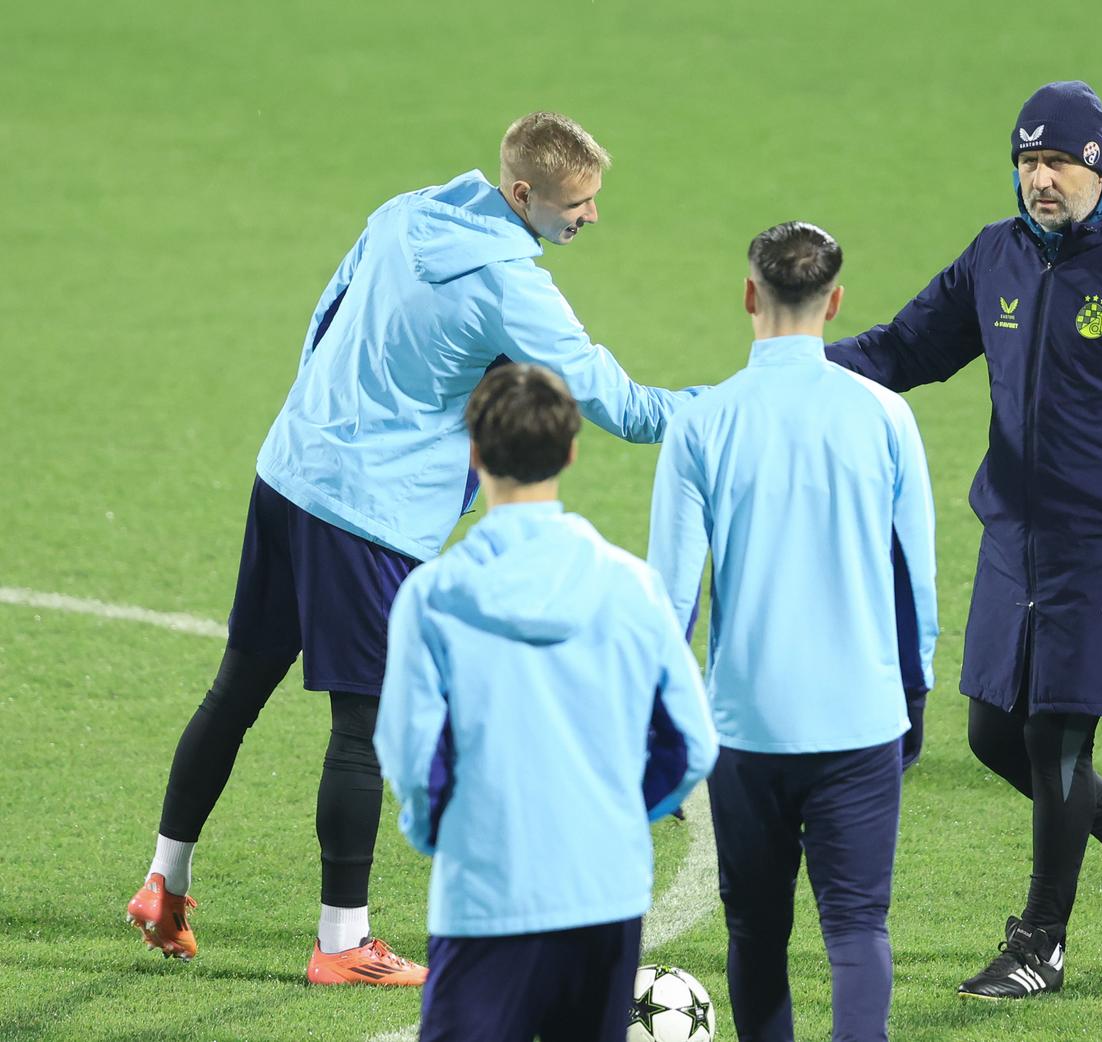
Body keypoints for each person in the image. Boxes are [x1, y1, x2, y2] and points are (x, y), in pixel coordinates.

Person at [124, 111, 700, 983]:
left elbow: (325, 315)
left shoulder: (403, 212)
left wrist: (319, 423)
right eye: (576, 203)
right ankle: (341, 942)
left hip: (288, 472)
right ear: (522, 194)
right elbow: (609, 400)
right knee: (361, 730)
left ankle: (163, 885)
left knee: (236, 688)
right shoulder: (512, 286)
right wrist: (717, 412)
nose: (589, 217)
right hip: (369, 519)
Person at [825, 80, 1102, 999]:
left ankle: (1038, 947)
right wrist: (797, 365)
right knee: (990, 734)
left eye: (1056, 161)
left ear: (1098, 164)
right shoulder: (999, 258)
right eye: (1026, 163)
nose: (1039, 180)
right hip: (1015, 536)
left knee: (1057, 738)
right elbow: (906, 349)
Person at [648, 222, 938, 1042]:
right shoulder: (885, 416)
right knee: (855, 928)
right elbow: (914, 579)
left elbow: (672, 604)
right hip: (862, 718)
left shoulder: (700, 425)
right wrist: (912, 699)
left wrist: (666, 728)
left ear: (750, 295)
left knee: (755, 932)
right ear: (836, 301)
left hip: (746, 727)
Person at [374, 363, 718, 1042]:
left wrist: (443, 834)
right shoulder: (631, 586)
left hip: (482, 893)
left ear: (473, 452)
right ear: (570, 451)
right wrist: (622, 813)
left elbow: (413, 756)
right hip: (605, 889)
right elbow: (692, 742)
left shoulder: (433, 597)